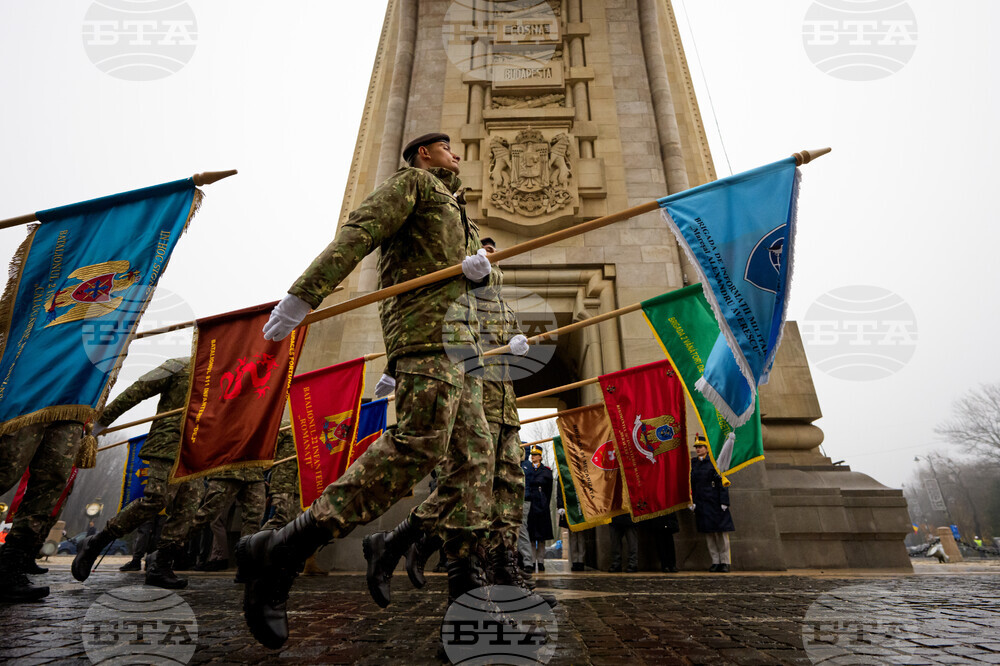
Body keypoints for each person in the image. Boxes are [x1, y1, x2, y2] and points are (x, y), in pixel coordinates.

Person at [237, 132, 497, 650]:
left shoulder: (459, 210)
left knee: (475, 459)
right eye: (447, 148)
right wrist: (304, 295)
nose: (455, 154)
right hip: (425, 332)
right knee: (420, 442)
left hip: (460, 343)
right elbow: (362, 231)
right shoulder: (413, 183)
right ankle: (284, 550)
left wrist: (481, 275)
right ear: (424, 153)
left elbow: (459, 275)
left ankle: (467, 603)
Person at [370, 236, 533, 607]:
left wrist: (517, 342)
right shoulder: (460, 294)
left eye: (495, 253)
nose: (491, 257)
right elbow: (427, 326)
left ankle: (504, 574)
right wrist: (393, 367)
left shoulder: (502, 305)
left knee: (508, 486)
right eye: (484, 251)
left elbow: (508, 345)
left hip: (504, 404)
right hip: (472, 398)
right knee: (470, 486)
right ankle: (413, 544)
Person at [72, 357, 206, 589]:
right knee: (157, 500)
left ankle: (160, 564)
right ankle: (96, 542)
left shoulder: (226, 377)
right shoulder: (181, 364)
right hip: (168, 443)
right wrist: (102, 422)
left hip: (198, 450)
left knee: (187, 508)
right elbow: (138, 390)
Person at [0, 420, 85, 601]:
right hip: (33, 405)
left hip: (75, 410)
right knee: (6, 468)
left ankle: (10, 566)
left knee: (51, 482)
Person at [690, 434, 734, 573]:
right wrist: (692, 501)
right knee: (709, 534)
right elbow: (692, 484)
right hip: (702, 503)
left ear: (707, 448)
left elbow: (723, 481)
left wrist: (724, 501)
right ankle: (715, 561)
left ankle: (725, 561)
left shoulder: (715, 462)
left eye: (701, 447)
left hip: (715, 502)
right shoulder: (693, 463)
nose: (698, 449)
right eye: (697, 447)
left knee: (721, 535)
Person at [523, 446, 553, 572]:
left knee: (541, 536)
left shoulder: (546, 471)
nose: (532, 456)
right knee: (531, 535)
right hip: (531, 504)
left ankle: (540, 561)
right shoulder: (528, 469)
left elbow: (549, 490)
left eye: (535, 455)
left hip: (541, 505)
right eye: (532, 454)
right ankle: (531, 561)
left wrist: (545, 503)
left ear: (540, 456)